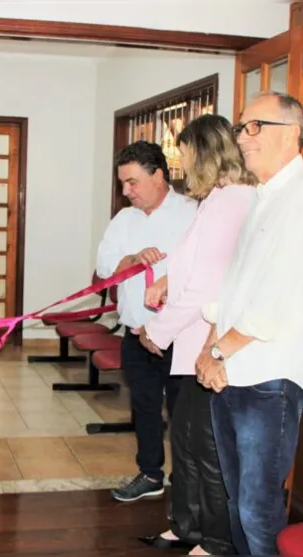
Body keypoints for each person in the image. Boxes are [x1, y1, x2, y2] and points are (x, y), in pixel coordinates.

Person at [195, 92, 303, 556]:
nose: (242, 137)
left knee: (258, 508)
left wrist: (218, 351)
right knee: (237, 499)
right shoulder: (263, 196)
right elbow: (235, 286)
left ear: (292, 133)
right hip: (232, 368)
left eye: (255, 126)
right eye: (241, 127)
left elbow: (281, 295)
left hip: (270, 376)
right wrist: (208, 347)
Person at [135, 115, 257, 556]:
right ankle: (186, 525)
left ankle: (217, 539)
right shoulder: (215, 201)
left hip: (210, 344)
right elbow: (193, 263)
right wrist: (166, 280)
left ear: (205, 154)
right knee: (184, 441)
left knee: (208, 450)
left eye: (185, 156)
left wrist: (157, 331)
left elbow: (208, 286)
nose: (182, 166)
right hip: (190, 343)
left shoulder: (234, 201)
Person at [96, 140, 197, 502]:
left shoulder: (193, 213)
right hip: (136, 334)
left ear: (159, 175)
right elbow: (105, 269)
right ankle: (150, 473)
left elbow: (205, 273)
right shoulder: (124, 219)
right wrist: (132, 259)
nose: (127, 191)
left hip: (181, 337)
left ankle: (187, 484)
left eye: (133, 182)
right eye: (123, 183)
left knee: (184, 415)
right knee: (145, 406)